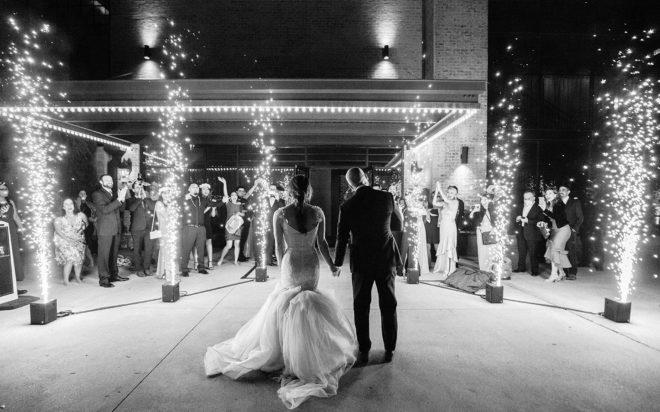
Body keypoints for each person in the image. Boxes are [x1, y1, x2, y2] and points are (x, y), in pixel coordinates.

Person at [205, 175, 355, 409]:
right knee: (307, 305)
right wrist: (332, 265)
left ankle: (287, 355)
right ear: (309, 190)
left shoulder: (280, 213)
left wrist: (283, 262)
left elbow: (277, 245)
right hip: (311, 264)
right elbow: (322, 243)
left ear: (288, 191)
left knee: (287, 305)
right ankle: (307, 355)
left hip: (292, 262)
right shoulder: (318, 212)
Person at [334, 167, 402, 364]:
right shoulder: (387, 197)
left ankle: (364, 348)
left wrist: (337, 263)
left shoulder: (347, 206)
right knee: (388, 303)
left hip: (362, 260)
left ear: (350, 184)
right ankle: (390, 348)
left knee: (361, 305)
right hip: (385, 257)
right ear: (365, 178)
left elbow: (341, 237)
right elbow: (398, 224)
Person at [92, 174, 129, 288]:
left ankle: (114, 275)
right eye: (106, 180)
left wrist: (122, 197)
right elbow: (105, 209)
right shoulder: (97, 194)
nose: (110, 181)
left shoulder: (113, 193)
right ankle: (104, 279)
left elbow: (120, 209)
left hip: (116, 228)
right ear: (101, 182)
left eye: (111, 179)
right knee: (104, 255)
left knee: (113, 254)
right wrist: (119, 199)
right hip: (105, 229)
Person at [539, 187, 572, 282]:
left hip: (563, 230)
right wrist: (543, 223)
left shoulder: (559, 204)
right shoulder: (550, 204)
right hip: (555, 230)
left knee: (554, 251)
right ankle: (561, 273)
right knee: (557, 251)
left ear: (555, 195)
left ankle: (553, 275)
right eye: (546, 194)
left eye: (549, 193)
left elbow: (557, 217)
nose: (547, 195)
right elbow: (551, 220)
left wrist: (544, 210)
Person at [53, 198, 88, 285]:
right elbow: (59, 232)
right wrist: (69, 240)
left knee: (79, 259)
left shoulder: (81, 215)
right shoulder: (59, 219)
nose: (69, 206)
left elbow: (86, 224)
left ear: (74, 205)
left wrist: (79, 232)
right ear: (63, 207)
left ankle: (77, 277)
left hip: (78, 239)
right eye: (66, 204)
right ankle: (66, 280)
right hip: (64, 240)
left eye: (71, 203)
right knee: (70, 258)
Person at [513, 190, 546, 277]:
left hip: (533, 233)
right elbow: (514, 216)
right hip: (521, 232)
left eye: (529, 198)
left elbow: (540, 220)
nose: (526, 200)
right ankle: (521, 267)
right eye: (525, 198)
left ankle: (535, 270)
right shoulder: (520, 207)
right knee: (521, 251)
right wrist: (517, 218)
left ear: (533, 198)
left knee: (533, 252)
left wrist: (528, 220)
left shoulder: (538, 208)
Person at [181, 183, 209, 276]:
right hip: (189, 228)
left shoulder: (203, 200)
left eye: (197, 187)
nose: (195, 188)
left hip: (201, 228)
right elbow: (177, 204)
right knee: (186, 249)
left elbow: (213, 203)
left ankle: (201, 267)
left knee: (201, 249)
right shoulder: (185, 199)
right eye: (193, 187)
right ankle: (184, 269)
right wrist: (184, 198)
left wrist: (224, 200)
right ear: (189, 189)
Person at [0, 181, 25, 284]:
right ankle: (6, 284)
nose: (5, 190)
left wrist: (22, 228)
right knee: (4, 256)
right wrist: (1, 213)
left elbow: (15, 216)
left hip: (12, 231)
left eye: (6, 188)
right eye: (2, 189)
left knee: (14, 255)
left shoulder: (10, 202)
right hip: (1, 233)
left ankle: (14, 285)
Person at [432, 183, 460, 278]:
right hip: (443, 226)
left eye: (451, 193)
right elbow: (434, 203)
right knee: (443, 244)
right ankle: (442, 267)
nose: (449, 194)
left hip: (450, 227)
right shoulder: (445, 203)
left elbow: (447, 200)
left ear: (455, 195)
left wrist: (440, 189)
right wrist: (436, 191)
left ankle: (449, 268)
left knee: (449, 245)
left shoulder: (455, 202)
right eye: (448, 192)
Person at [559, 185, 584, 280]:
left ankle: (573, 272)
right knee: (561, 251)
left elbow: (580, 217)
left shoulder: (574, 202)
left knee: (571, 251)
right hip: (559, 231)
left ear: (568, 192)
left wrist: (574, 228)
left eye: (563, 190)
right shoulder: (557, 203)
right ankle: (564, 272)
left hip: (570, 230)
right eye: (560, 190)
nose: (561, 191)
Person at [126, 180, 151, 276]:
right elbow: (131, 209)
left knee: (149, 249)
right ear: (133, 189)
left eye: (140, 186)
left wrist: (145, 197)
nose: (139, 188)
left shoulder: (146, 199)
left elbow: (153, 209)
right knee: (137, 249)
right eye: (136, 186)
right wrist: (139, 198)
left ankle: (146, 268)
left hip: (149, 228)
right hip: (137, 228)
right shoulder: (130, 200)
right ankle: (138, 269)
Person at [469, 192, 497, 272]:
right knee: (482, 251)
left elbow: (495, 219)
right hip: (481, 232)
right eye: (482, 199)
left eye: (485, 199)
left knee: (490, 251)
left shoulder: (492, 209)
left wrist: (493, 229)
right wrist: (473, 211)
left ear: (489, 200)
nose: (483, 201)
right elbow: (471, 220)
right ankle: (483, 269)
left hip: (490, 231)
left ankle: (491, 269)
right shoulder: (479, 210)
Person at [217, 184, 243, 266]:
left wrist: (239, 213)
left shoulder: (240, 204)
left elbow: (243, 214)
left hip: (238, 226)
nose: (234, 196)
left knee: (237, 244)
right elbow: (225, 194)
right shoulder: (228, 203)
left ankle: (235, 261)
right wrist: (225, 183)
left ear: (237, 196)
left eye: (235, 195)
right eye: (232, 195)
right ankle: (221, 259)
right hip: (229, 226)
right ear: (230, 197)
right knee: (229, 245)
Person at [200, 182, 219, 270]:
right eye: (204, 189)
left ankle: (210, 262)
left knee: (209, 242)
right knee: (199, 244)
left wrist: (214, 207)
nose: (206, 191)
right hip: (199, 222)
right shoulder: (198, 199)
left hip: (207, 223)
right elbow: (201, 212)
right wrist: (210, 205)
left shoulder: (210, 200)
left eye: (207, 189)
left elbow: (213, 215)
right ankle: (197, 263)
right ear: (201, 190)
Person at [266, 183, 286, 266]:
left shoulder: (281, 200)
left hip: (277, 224)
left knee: (278, 243)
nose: (272, 190)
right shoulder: (264, 199)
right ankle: (268, 261)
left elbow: (282, 211)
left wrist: (278, 200)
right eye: (271, 188)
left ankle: (280, 261)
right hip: (267, 223)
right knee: (268, 243)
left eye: (274, 189)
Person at [75, 190, 96, 267]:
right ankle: (85, 261)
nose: (83, 195)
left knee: (85, 245)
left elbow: (92, 214)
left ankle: (90, 261)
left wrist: (93, 219)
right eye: (81, 193)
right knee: (81, 245)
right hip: (78, 226)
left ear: (86, 195)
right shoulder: (76, 203)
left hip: (88, 227)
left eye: (84, 193)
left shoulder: (89, 204)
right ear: (78, 195)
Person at [155, 187, 172, 280]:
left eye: (167, 193)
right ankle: (166, 273)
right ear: (161, 194)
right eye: (164, 193)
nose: (166, 195)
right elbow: (166, 216)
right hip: (164, 230)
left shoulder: (168, 203)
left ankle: (165, 271)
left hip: (171, 230)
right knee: (165, 252)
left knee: (169, 252)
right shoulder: (159, 203)